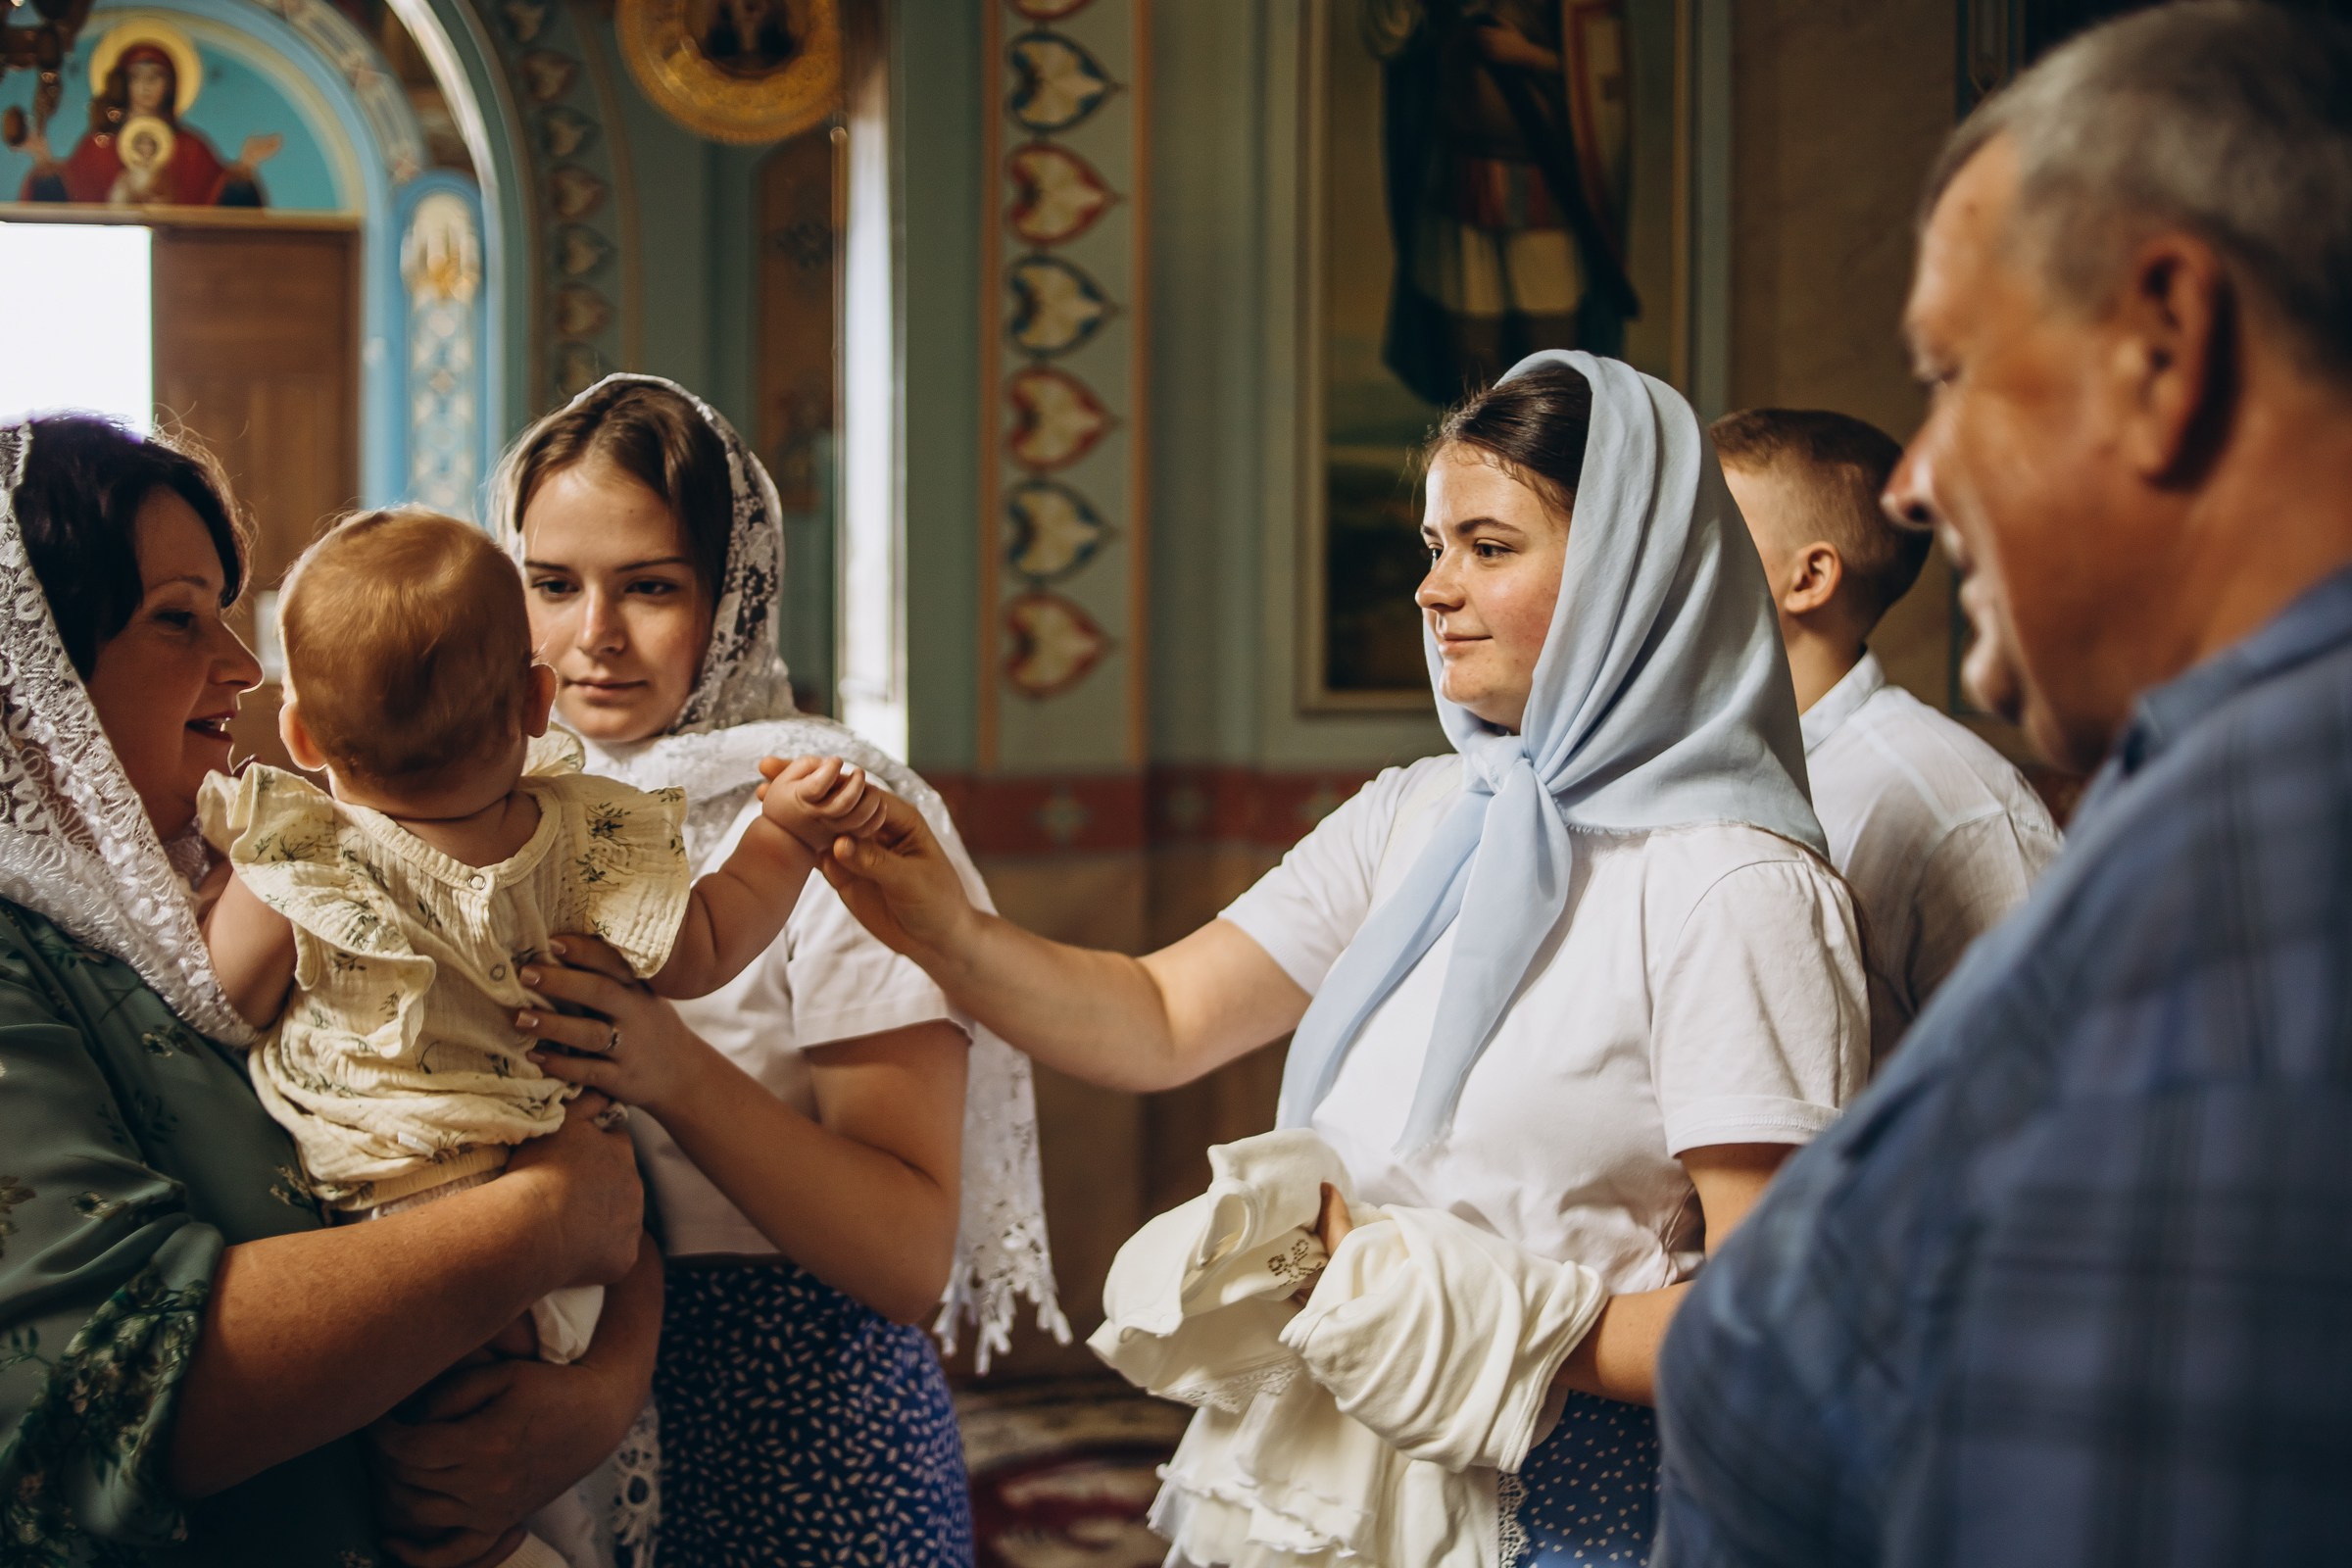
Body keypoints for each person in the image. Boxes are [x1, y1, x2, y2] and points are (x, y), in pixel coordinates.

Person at [793, 352, 1870, 1564]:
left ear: (1635, 574)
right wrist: (946, 930)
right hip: (1326, 1485)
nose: (1432, 588)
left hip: (1561, 1512)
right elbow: (1158, 1015)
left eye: (1489, 546)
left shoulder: (1734, 885)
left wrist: (1473, 1315)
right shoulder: (1421, 814)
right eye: (1432, 543)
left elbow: (1777, 1329)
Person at [1655, 6, 2352, 1562]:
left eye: (1955, 372)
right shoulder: (2201, 795)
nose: (1917, 474)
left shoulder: (2263, 855)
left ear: (2166, 347)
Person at [0, 416, 656, 1567]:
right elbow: (120, 1381)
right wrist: (539, 1221)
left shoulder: (222, 889)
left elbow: (596, 1150)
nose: (243, 668)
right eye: (177, 618)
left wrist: (594, 1395)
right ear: (31, 668)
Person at [485, 375, 1062, 1564]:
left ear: (734, 594)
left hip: (798, 1411)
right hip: (548, 1404)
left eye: (650, 586)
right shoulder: (498, 812)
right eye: (552, 584)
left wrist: (670, 1069)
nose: (593, 635)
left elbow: (905, 1258)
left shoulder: (829, 814)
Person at [1711, 408, 2060, 1064]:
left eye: (1708, 530)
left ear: (1809, 578)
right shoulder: (1696, 769)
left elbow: (2040, 1081)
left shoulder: (1955, 810)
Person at [18, 32, 280, 207]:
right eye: (134, 77)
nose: (144, 86)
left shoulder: (192, 149)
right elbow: (67, 206)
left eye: (155, 76)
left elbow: (222, 210)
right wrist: (45, 169)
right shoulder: (98, 145)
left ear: (171, 85)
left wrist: (245, 170)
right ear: (121, 84)